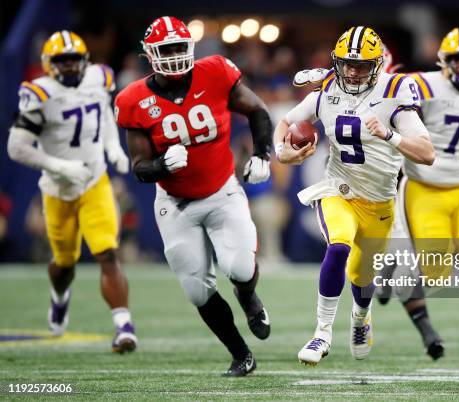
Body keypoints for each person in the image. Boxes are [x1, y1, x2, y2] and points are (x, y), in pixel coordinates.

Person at [114, 16, 272, 377]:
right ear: (149, 55)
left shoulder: (215, 72)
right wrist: (161, 166)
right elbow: (139, 167)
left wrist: (262, 154)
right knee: (197, 291)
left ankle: (248, 297)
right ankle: (241, 355)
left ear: (191, 48)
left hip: (222, 192)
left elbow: (258, 110)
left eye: (178, 47)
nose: (173, 56)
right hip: (175, 203)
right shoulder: (133, 99)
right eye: (165, 49)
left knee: (240, 268)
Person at [275, 26, 435, 365]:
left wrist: (390, 136)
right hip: (338, 189)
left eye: (361, 65)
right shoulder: (326, 89)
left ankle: (361, 317)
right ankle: (321, 335)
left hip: (379, 202)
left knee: (363, 279)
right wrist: (282, 151)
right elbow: (286, 122)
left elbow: (426, 152)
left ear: (378, 65)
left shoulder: (395, 91)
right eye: (346, 63)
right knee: (338, 247)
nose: (351, 71)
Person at [377, 27, 459, 366]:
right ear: (444, 62)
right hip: (425, 187)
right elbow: (388, 97)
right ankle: (392, 268)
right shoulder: (424, 84)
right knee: (434, 271)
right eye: (457, 59)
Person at [7, 31, 136, 353]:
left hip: (94, 180)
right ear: (49, 64)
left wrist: (113, 149)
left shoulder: (99, 78)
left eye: (73, 60)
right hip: (57, 188)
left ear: (85, 61)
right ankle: (60, 297)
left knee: (107, 252)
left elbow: (105, 111)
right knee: (64, 263)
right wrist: (61, 167)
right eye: (61, 61)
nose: (68, 67)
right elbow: (16, 148)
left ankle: (124, 327)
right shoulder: (39, 93)